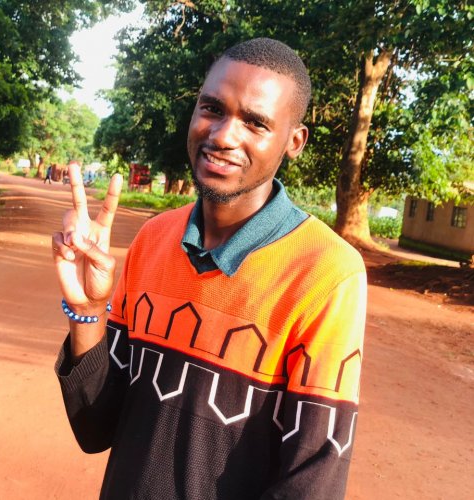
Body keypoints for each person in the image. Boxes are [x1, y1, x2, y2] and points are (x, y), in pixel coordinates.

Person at [52, 38, 366, 499]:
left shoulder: (326, 272)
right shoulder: (153, 238)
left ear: (294, 141)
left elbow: (310, 483)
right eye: (212, 108)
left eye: (255, 122)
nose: (223, 135)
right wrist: (88, 311)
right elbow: (95, 427)